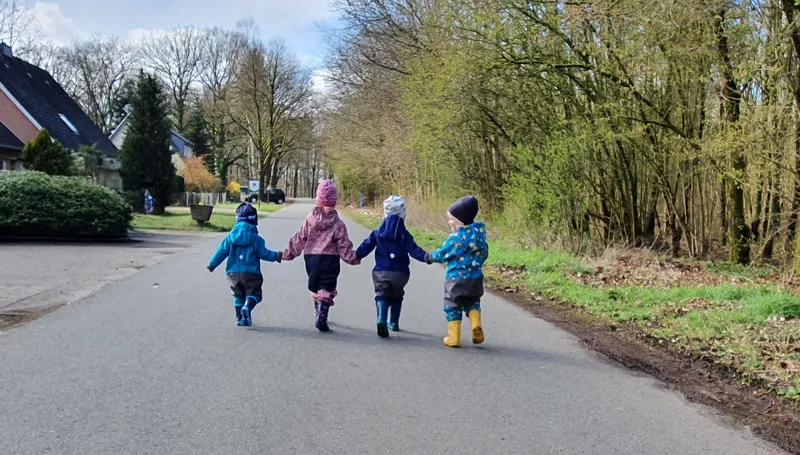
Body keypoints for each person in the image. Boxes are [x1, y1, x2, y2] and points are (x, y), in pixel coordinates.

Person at [283, 180, 360, 332]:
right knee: (327, 287)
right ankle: (322, 312)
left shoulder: (310, 220)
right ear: (334, 200)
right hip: (330, 259)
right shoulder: (338, 224)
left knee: (317, 285)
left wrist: (289, 253)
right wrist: (352, 258)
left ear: (318, 198)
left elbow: (300, 237)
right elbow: (343, 244)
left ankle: (318, 311)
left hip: (311, 258)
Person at [356, 195, 429, 337]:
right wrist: (427, 257)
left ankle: (381, 319)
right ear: (403, 214)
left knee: (382, 294)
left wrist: (356, 256)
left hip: (381, 272)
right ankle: (394, 323)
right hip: (401, 273)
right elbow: (415, 250)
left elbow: (366, 245)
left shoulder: (377, 233)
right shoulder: (405, 235)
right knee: (397, 295)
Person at [426, 196, 489, 347]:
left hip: (456, 280)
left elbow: (443, 254)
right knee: (472, 303)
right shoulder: (480, 237)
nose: (449, 222)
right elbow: (485, 253)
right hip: (475, 279)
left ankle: (453, 338)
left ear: (461, 221)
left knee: (452, 305)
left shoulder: (457, 238)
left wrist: (430, 256)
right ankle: (475, 325)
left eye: (451, 219)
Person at [207, 203, 282, 327]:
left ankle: (240, 319)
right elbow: (265, 254)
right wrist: (277, 256)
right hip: (251, 273)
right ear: (253, 222)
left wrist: (211, 265)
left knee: (238, 295)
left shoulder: (230, 238)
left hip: (232, 274)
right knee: (254, 294)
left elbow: (221, 251)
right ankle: (247, 307)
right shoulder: (256, 239)